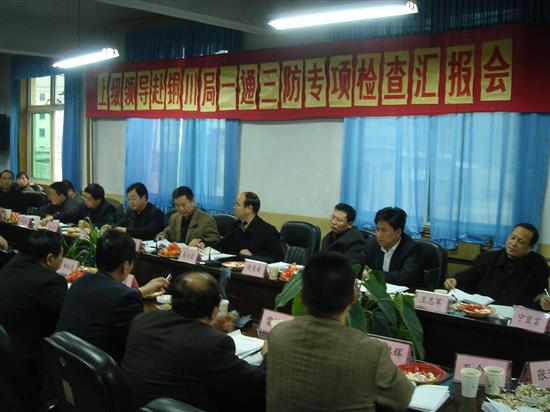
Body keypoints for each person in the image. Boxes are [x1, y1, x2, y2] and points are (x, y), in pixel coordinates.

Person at [267, 252, 413, 411]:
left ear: (302, 297)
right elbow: (403, 397)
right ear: (353, 298)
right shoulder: (371, 352)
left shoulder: (278, 334)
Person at [122, 272, 266, 410]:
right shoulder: (214, 343)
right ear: (215, 311)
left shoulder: (142, 320)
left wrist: (209, 328)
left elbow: (184, 337)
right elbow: (256, 382)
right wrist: (268, 354)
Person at [56, 230, 169, 363]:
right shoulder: (125, 298)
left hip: (64, 364)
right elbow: (140, 340)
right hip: (98, 370)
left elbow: (108, 298)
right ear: (125, 266)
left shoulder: (80, 282)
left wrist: (140, 292)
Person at [0, 231, 66, 406]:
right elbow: (62, 319)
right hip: (24, 361)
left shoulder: (12, 264)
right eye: (61, 257)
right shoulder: (51, 281)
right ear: (50, 259)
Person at [444, 223, 549, 308]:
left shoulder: (538, 266)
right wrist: (456, 280)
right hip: (482, 310)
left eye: (520, 241)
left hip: (515, 316)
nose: (513, 243)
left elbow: (539, 295)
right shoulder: (490, 258)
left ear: (530, 247)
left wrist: (542, 301)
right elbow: (470, 275)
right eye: (512, 237)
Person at [361, 207, 423, 287]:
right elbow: (359, 266)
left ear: (398, 232)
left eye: (384, 230)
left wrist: (374, 275)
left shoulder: (412, 249)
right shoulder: (371, 243)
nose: (378, 234)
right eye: (377, 229)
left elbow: (405, 277)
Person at [214, 192, 283, 263]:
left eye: (238, 205)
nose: (234, 207)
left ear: (249, 208)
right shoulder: (236, 225)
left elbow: (277, 257)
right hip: (232, 266)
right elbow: (220, 246)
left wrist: (253, 256)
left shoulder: (268, 231)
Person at [156, 186, 220, 247]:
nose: (181, 209)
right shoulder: (174, 217)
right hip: (177, 253)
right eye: (177, 205)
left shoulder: (206, 219)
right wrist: (161, 236)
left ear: (192, 201)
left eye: (183, 205)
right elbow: (167, 232)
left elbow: (215, 239)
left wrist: (202, 242)